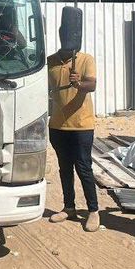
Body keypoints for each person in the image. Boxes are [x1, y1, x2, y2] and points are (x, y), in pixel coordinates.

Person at [47, 32, 100, 232]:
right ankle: (69, 207)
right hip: (57, 125)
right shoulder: (50, 62)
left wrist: (79, 83)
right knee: (64, 168)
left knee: (84, 167)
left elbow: (92, 85)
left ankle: (93, 210)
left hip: (81, 125)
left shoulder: (85, 59)